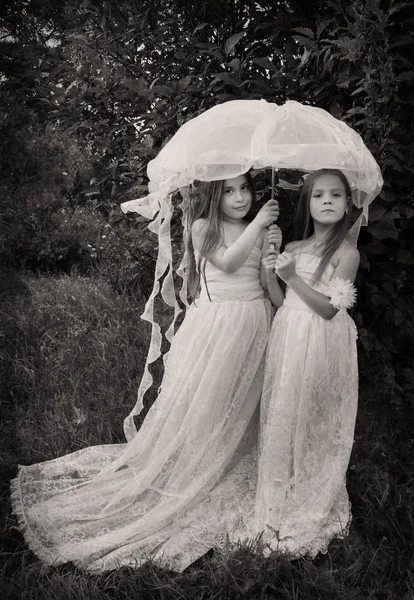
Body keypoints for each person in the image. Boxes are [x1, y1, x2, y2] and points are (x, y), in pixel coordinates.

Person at [11, 173, 279, 572]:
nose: (240, 198)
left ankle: (232, 453)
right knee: (208, 398)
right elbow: (226, 261)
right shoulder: (204, 225)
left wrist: (272, 258)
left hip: (256, 320)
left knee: (244, 398)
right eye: (229, 190)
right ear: (213, 195)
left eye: (245, 189)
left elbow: (264, 282)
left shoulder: (263, 230)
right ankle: (197, 460)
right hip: (220, 325)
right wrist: (259, 224)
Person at [256, 168, 360, 557]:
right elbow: (281, 300)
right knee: (287, 405)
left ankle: (313, 478)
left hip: (321, 340)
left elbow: (331, 311)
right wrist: (271, 270)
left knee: (315, 410)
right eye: (319, 195)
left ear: (348, 205)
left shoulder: (347, 252)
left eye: (336, 195)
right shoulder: (296, 247)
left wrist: (294, 277)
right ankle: (285, 475)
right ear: (308, 204)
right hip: (290, 333)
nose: (327, 201)